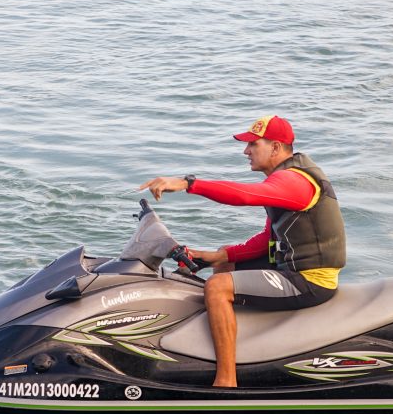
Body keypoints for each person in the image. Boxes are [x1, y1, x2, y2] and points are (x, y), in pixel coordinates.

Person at [139, 115, 346, 387]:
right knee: (224, 260)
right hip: (292, 268)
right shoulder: (286, 178)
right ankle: (233, 348)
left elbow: (245, 195)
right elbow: (267, 239)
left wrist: (189, 183)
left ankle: (226, 380)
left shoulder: (295, 182)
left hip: (309, 280)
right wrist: (217, 256)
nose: (245, 151)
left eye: (253, 145)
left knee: (217, 287)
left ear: (275, 147)